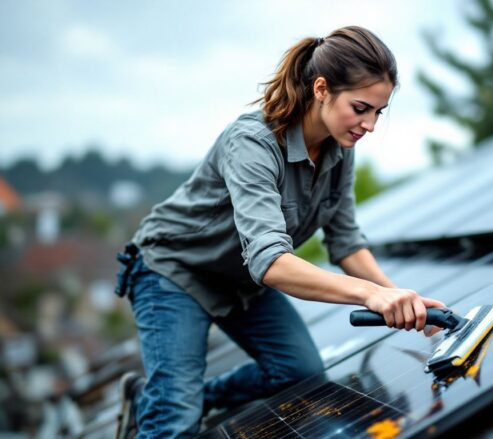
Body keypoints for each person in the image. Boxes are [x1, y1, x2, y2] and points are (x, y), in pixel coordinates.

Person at [113, 26, 445, 438]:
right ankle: (169, 402)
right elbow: (270, 262)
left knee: (300, 373)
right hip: (175, 272)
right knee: (175, 423)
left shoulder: (341, 151)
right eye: (361, 108)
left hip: (238, 278)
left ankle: (166, 394)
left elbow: (345, 242)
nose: (370, 124)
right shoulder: (253, 142)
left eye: (378, 112)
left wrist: (401, 299)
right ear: (321, 88)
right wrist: (371, 295)